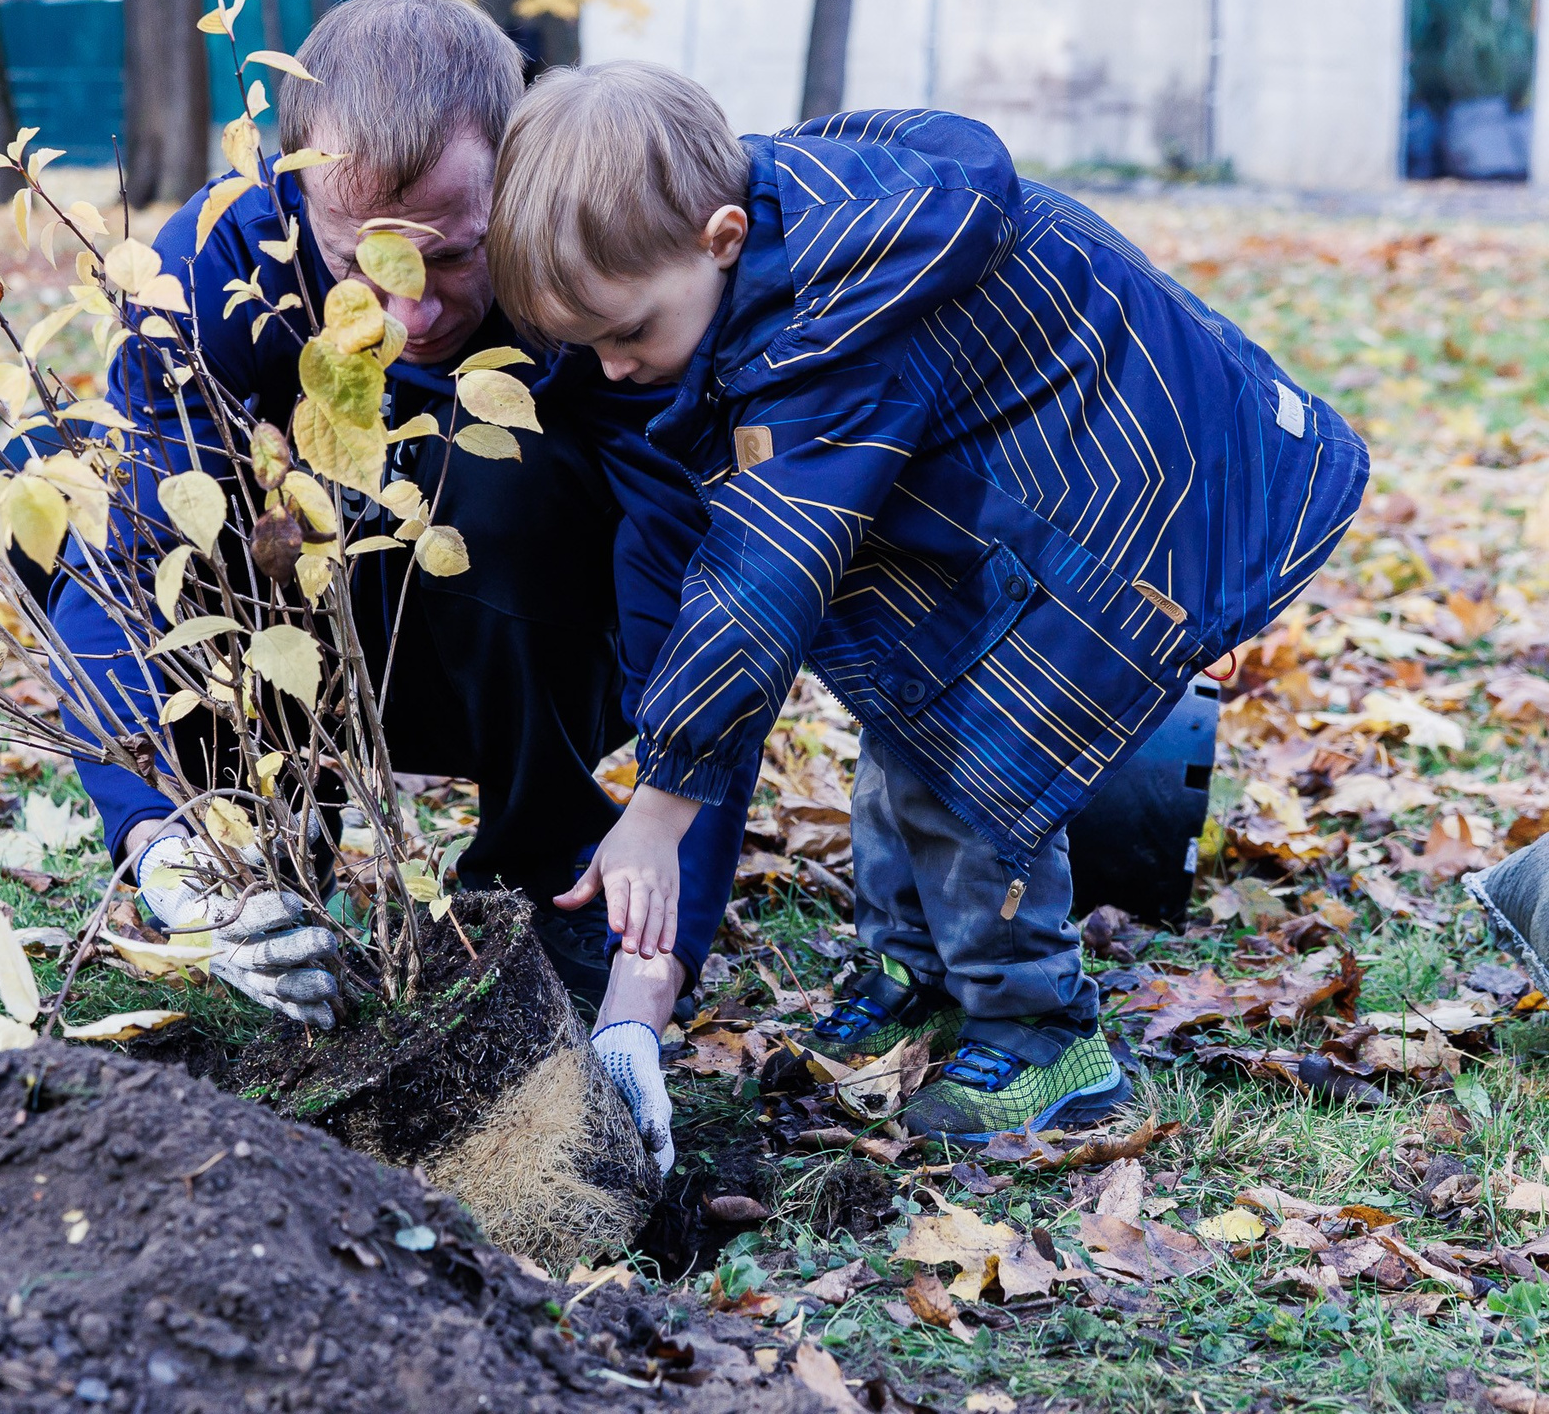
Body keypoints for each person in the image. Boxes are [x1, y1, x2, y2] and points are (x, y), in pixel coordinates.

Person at [485, 65, 1369, 1148]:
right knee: (905, 708)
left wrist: (659, 811)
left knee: (973, 764)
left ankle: (1049, 1039)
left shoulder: (833, 330)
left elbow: (762, 583)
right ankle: (919, 957)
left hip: (1115, 515)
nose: (615, 371)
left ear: (718, 237)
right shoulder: (767, 230)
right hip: (996, 504)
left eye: (626, 334)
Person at [48, 0, 735, 1159]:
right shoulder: (220, 264)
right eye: (360, 260)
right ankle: (263, 867)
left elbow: (723, 618)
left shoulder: (596, 260)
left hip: (542, 631)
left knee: (501, 470)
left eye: (456, 256)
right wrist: (166, 847)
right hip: (321, 638)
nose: (411, 312)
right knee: (109, 494)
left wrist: (643, 985)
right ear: (296, 189)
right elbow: (120, 569)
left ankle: (541, 885)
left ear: (512, 180)